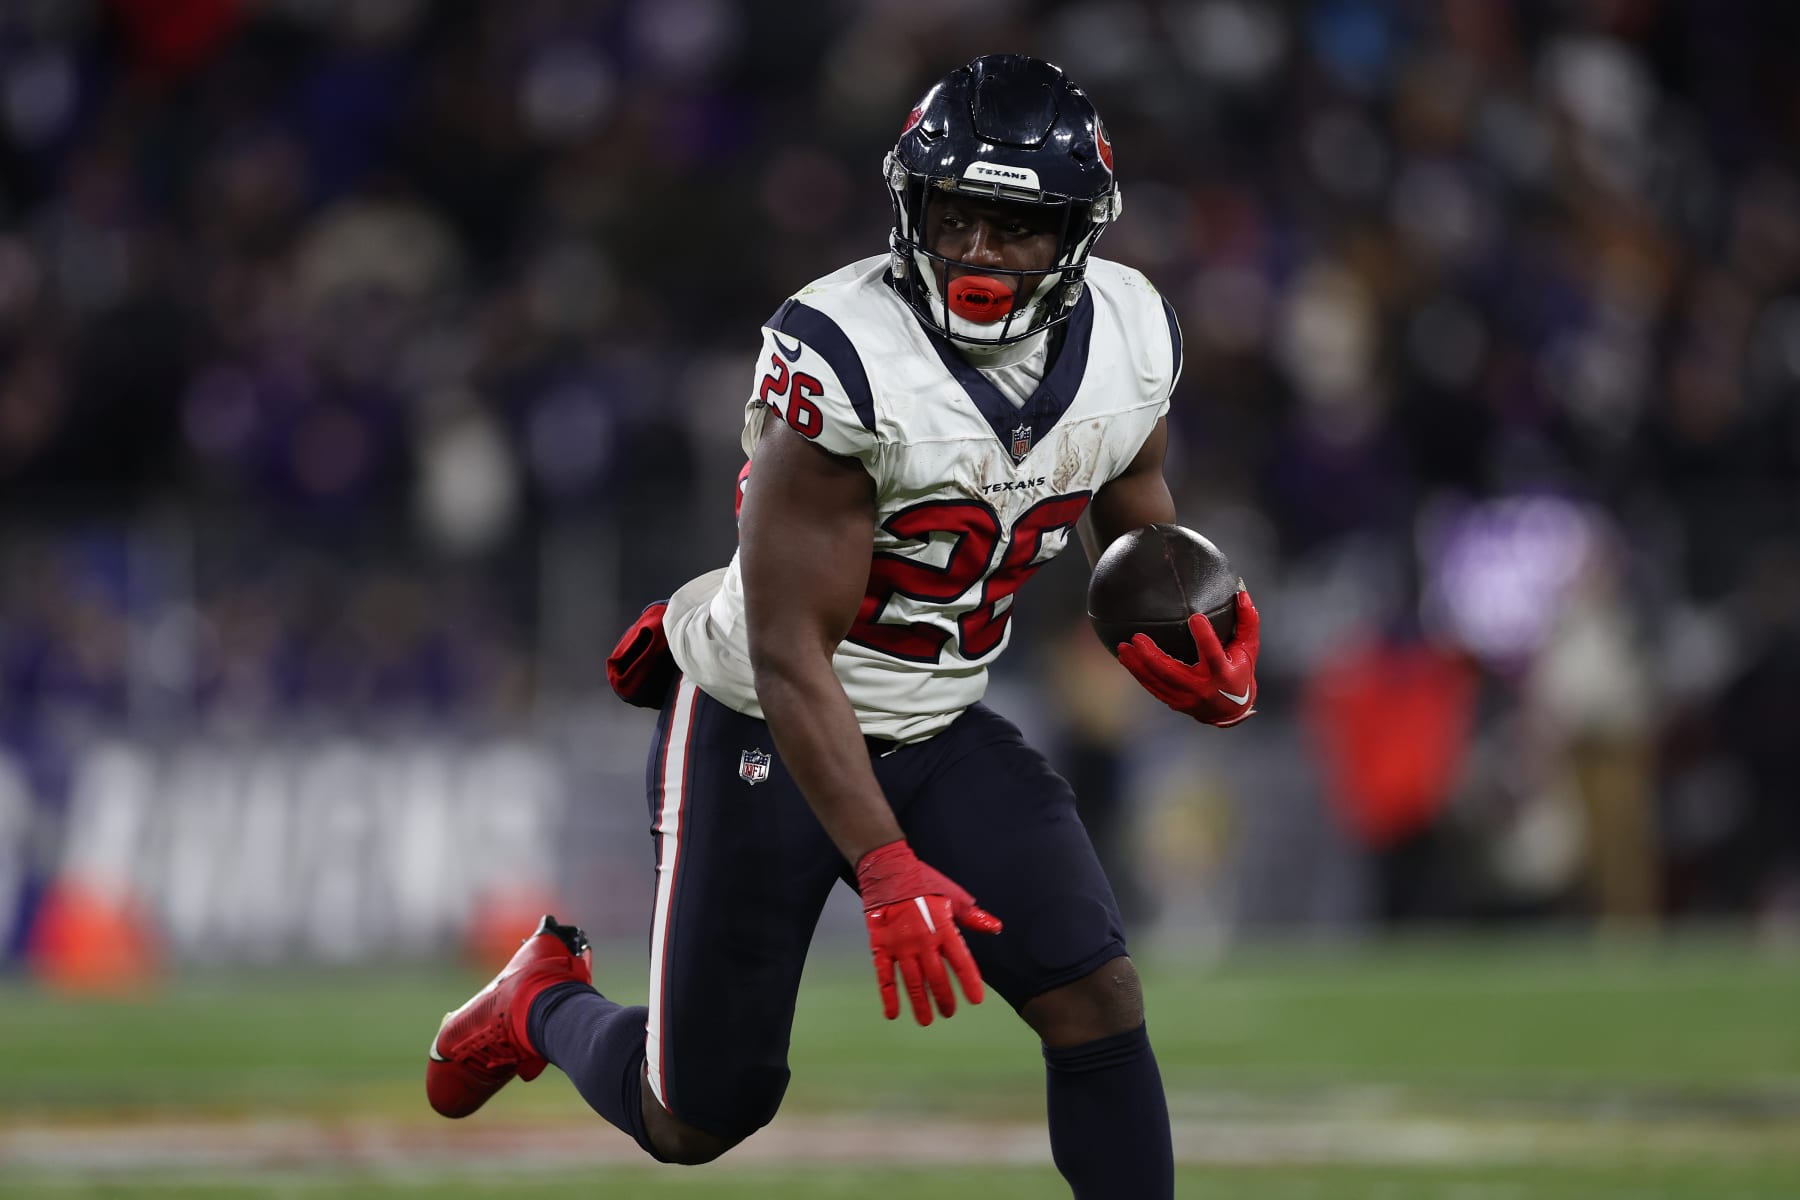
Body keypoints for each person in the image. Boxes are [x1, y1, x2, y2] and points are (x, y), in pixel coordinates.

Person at [423, 54, 1260, 1198]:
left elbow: (1132, 509)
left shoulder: (1130, 331)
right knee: (701, 1113)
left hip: (938, 718)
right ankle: (545, 1004)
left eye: (1015, 227)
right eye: (955, 215)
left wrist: (1175, 618)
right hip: (762, 720)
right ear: (911, 205)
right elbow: (786, 649)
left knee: (1095, 996)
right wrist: (882, 863)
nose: (975, 252)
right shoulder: (849, 353)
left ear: (1075, 234)